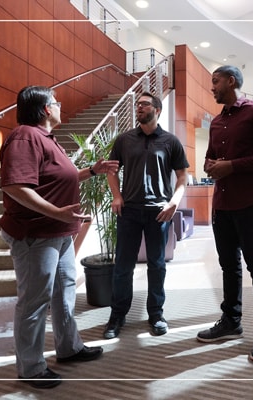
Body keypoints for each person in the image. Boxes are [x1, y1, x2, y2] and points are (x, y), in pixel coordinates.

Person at [0, 85, 119, 389]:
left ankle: (69, 348)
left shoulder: (45, 138)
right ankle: (30, 367)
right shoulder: (24, 136)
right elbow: (15, 187)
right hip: (36, 234)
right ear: (45, 110)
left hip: (58, 232)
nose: (61, 105)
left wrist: (92, 171)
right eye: (57, 102)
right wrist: (56, 212)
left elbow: (58, 177)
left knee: (64, 290)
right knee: (34, 301)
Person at [196, 66, 253, 363]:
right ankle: (231, 321)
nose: (212, 88)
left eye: (215, 82)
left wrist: (231, 166)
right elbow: (209, 156)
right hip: (222, 204)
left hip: (250, 203)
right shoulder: (217, 121)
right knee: (228, 266)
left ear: (231, 81)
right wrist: (210, 165)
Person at [103, 92, 189, 339]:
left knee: (157, 265)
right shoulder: (124, 140)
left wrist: (174, 202)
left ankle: (156, 314)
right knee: (123, 266)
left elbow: (182, 175)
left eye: (144, 104)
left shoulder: (170, 141)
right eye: (137, 104)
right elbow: (111, 171)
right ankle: (117, 315)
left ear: (157, 110)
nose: (139, 107)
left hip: (159, 213)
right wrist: (116, 196)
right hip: (128, 210)